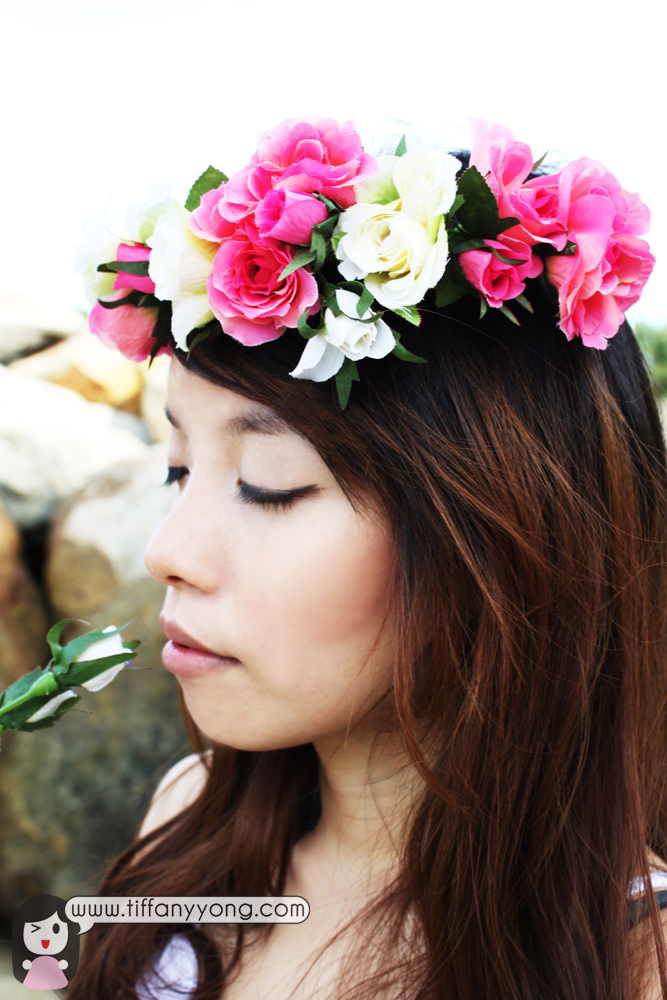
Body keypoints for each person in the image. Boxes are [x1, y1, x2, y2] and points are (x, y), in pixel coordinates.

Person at [68, 118, 667, 999]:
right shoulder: (187, 813)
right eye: (177, 470)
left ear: (499, 538)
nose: (168, 552)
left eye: (268, 482)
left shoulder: (627, 956)